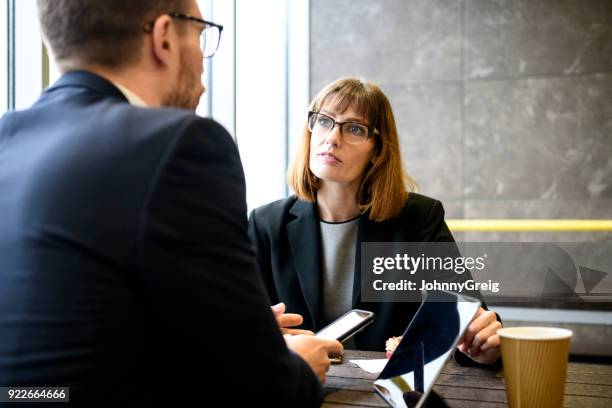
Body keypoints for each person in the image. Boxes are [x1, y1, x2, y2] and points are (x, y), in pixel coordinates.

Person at [0, 0, 341, 406]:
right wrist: (298, 366)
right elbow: (263, 390)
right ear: (163, 38)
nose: (203, 59)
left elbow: (72, 344)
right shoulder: (181, 144)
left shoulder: (8, 139)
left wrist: (231, 330)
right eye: (200, 33)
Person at [248, 77, 501, 365]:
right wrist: (258, 332)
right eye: (324, 121)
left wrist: (482, 343)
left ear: (378, 150)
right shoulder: (265, 223)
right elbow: (241, 326)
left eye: (354, 128)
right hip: (301, 386)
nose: (332, 138)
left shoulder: (418, 219)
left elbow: (466, 312)